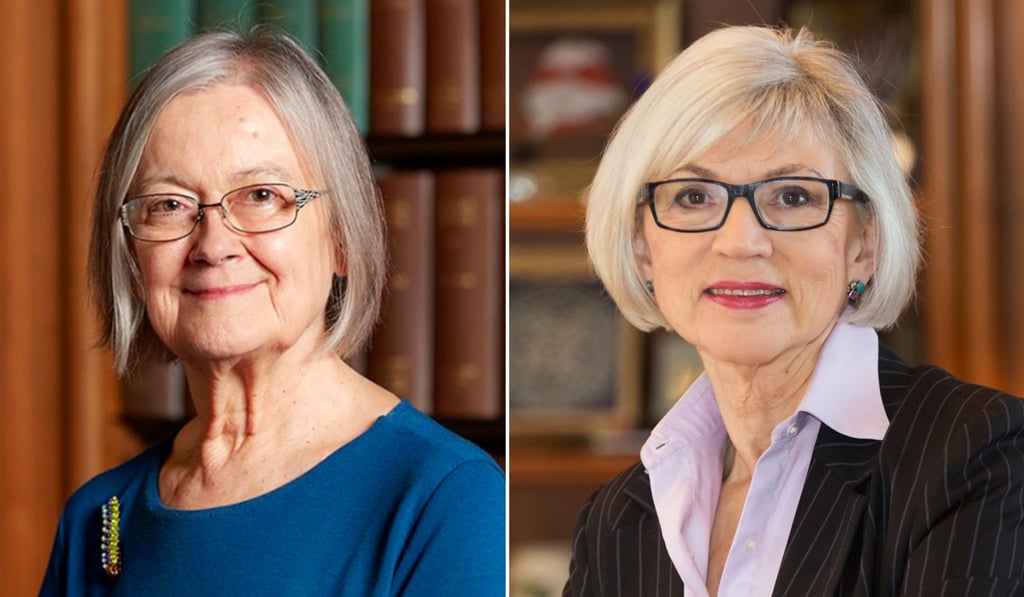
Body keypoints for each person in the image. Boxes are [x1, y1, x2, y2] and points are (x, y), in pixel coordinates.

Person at [40, 30, 504, 595]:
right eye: (168, 205)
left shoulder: (445, 498)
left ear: (340, 237)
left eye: (261, 196)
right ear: (132, 256)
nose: (214, 245)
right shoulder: (99, 518)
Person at [566, 25, 1024, 596]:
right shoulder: (615, 521)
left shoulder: (981, 453)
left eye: (792, 197)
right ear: (642, 245)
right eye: (692, 196)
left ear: (864, 243)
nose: (741, 242)